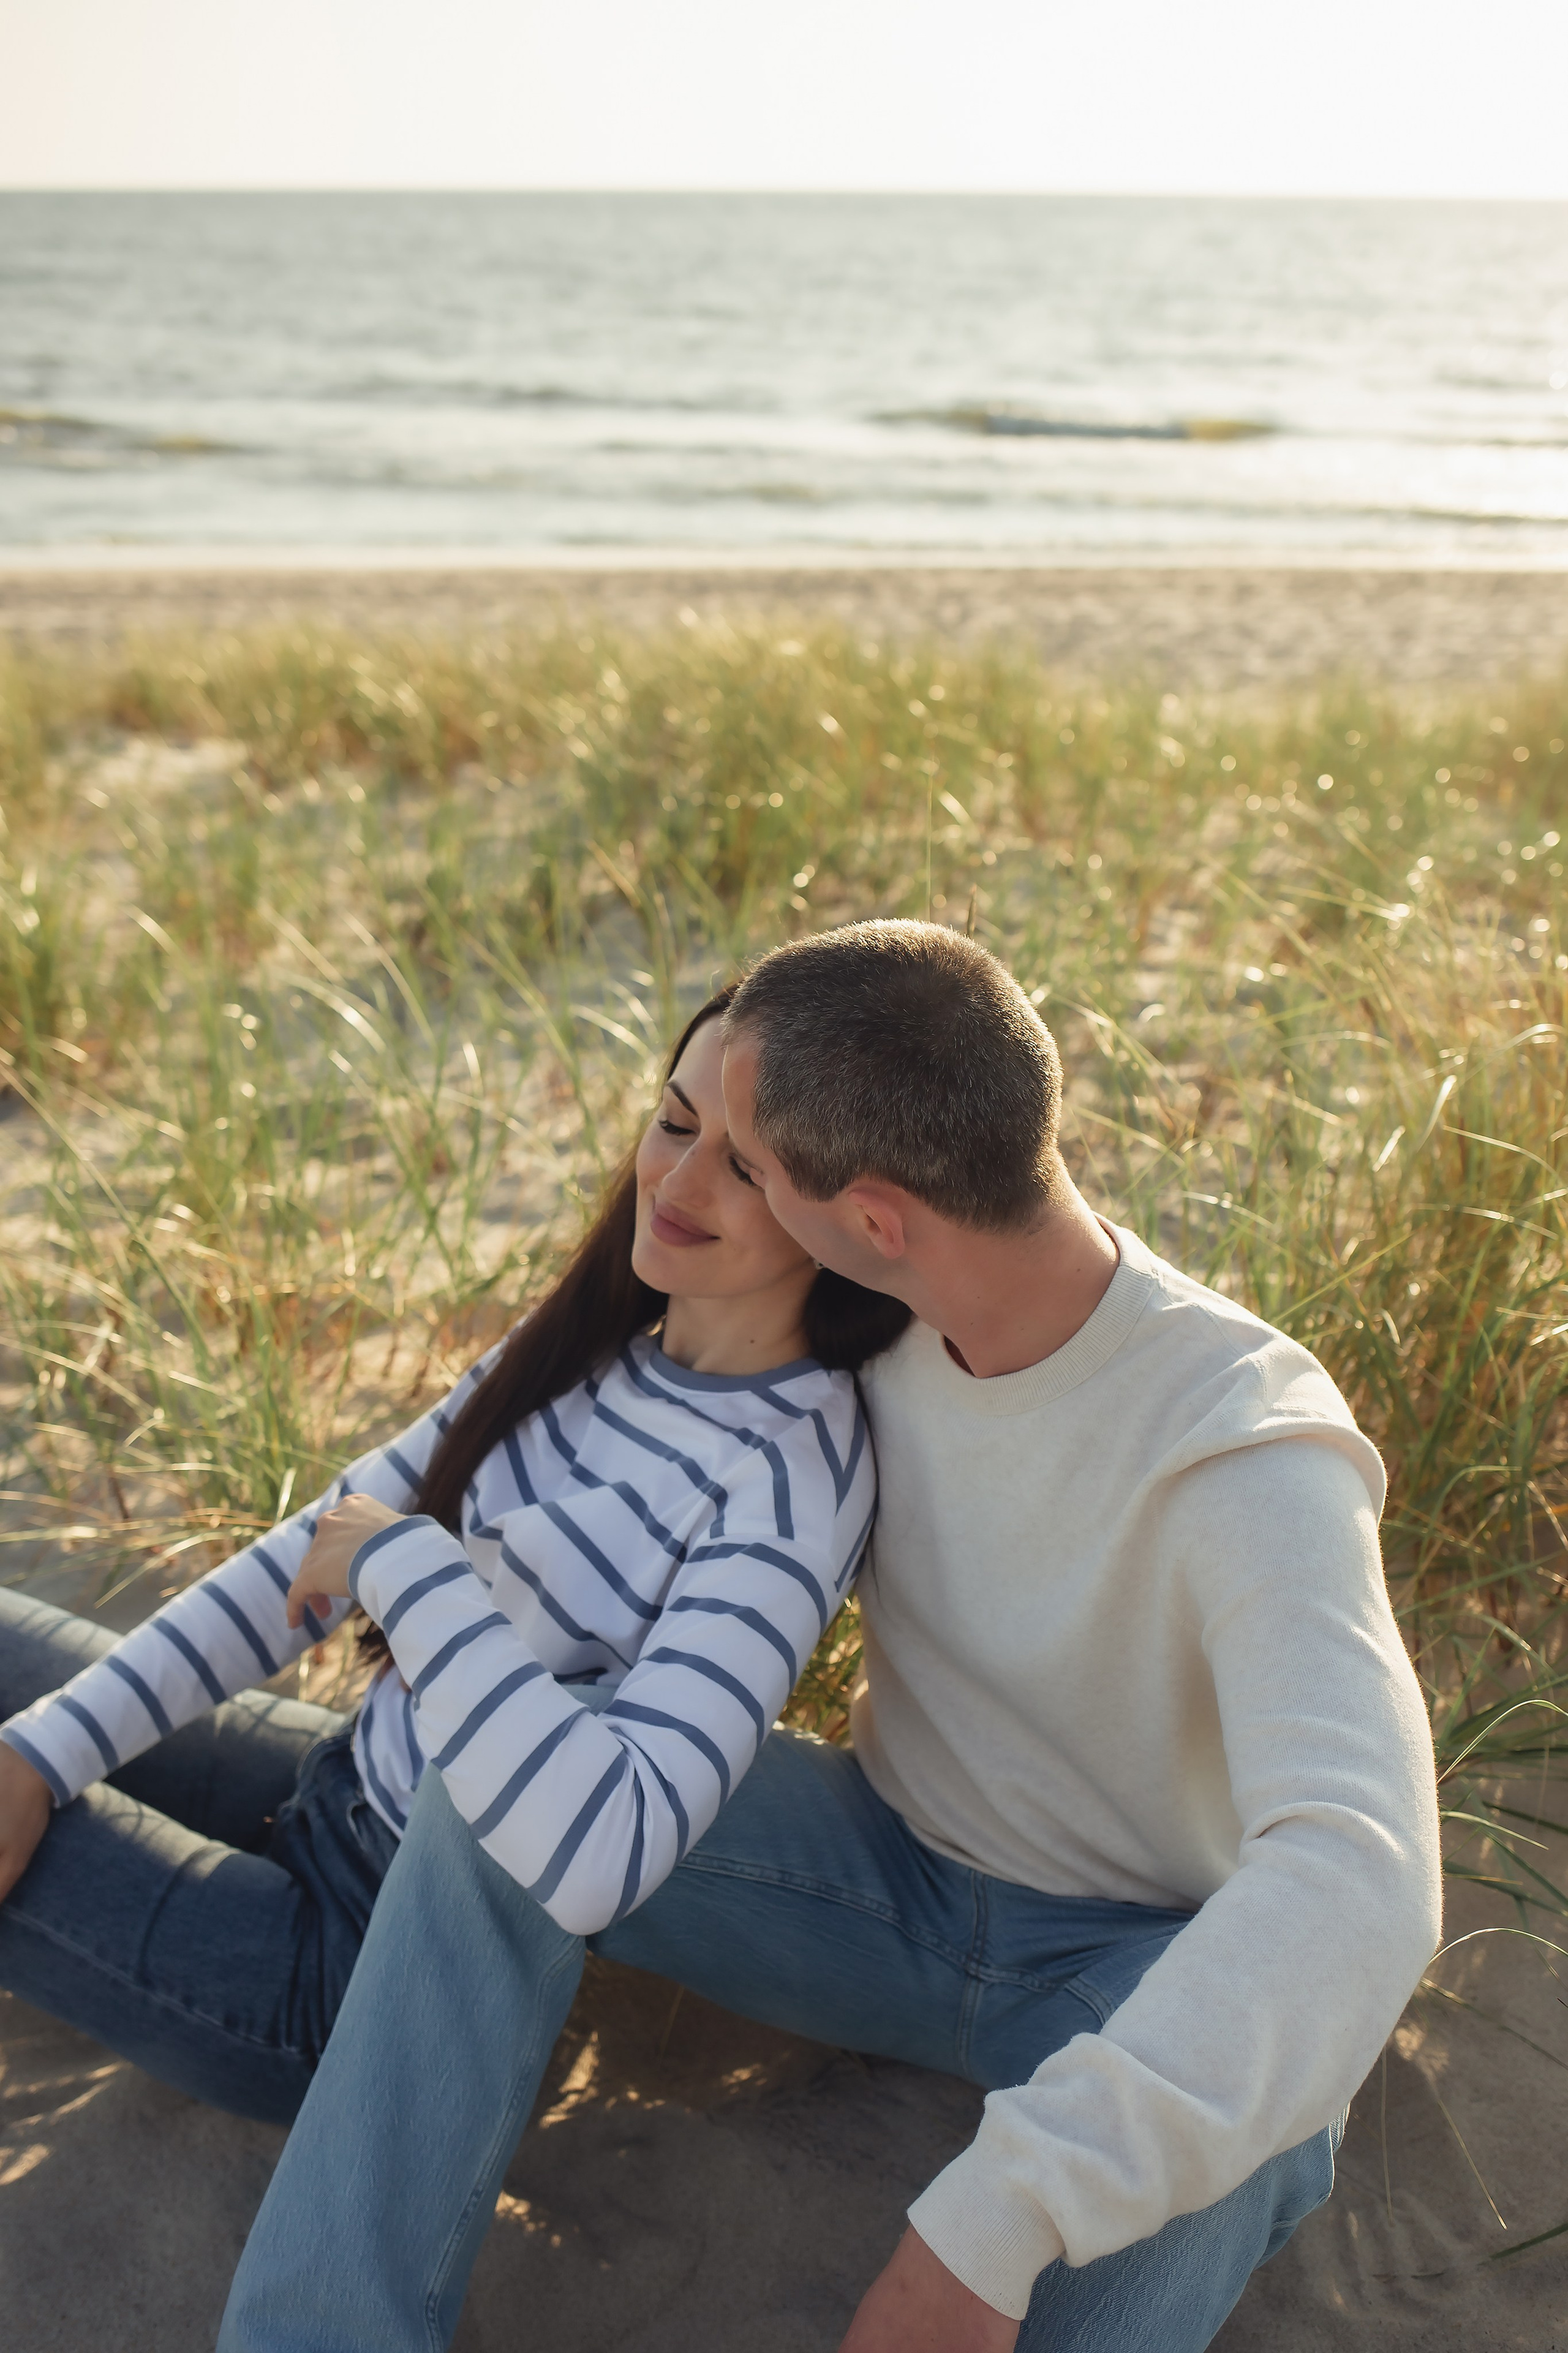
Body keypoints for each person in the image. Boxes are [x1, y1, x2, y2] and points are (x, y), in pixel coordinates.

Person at [214, 917, 1443, 2353]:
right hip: (876, 1876)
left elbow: (1360, 1878)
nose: (689, 1182)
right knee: (532, 1770)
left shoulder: (1245, 1443)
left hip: (1125, 1962)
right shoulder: (890, 1303)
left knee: (1267, 2124)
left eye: (747, 1163)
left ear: (868, 1218)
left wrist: (993, 2223)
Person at [0, 985, 906, 2124]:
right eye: (675, 1123)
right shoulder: (601, 1337)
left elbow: (608, 1848)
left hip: (359, 1972)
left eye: (747, 1167)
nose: (675, 1185)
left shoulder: (790, 1475)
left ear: (834, 1214)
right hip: (334, 1781)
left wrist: (407, 1570)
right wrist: (39, 1759)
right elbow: (306, 1554)